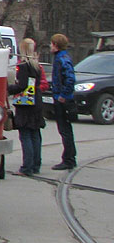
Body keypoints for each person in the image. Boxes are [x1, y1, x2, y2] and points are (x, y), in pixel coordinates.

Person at [8, 37, 45, 175]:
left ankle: (27, 167)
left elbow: (22, 86)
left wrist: (9, 88)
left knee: (25, 134)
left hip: (26, 102)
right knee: (35, 133)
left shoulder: (23, 66)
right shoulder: (36, 65)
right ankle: (36, 164)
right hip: (37, 100)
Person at [49, 33, 77, 170]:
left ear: (56, 45)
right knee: (65, 130)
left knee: (65, 130)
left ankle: (69, 159)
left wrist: (63, 95)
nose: (50, 46)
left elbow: (70, 78)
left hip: (63, 99)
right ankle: (69, 157)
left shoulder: (62, 59)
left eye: (51, 43)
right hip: (61, 96)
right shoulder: (60, 57)